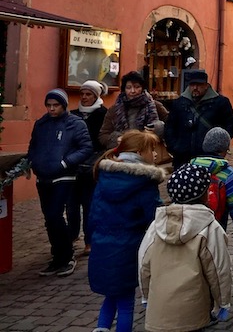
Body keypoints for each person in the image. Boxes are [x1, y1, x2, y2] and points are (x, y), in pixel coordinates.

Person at [138, 164, 232, 332]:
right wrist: (223, 302)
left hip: (160, 310)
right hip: (193, 309)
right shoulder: (210, 228)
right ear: (204, 194)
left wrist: (146, 296)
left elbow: (144, 264)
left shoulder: (156, 226)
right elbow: (218, 269)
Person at [88, 130, 164, 332]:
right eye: (152, 150)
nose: (155, 155)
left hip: (102, 245)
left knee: (111, 297)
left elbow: (93, 214)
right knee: (126, 303)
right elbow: (155, 216)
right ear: (140, 152)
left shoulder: (105, 176)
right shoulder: (145, 182)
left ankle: (101, 328)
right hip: (128, 248)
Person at [27, 89, 93, 277]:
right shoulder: (41, 124)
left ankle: (67, 256)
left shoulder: (75, 124)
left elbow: (86, 147)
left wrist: (66, 162)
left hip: (64, 176)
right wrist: (34, 163)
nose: (51, 109)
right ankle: (57, 257)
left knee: (55, 215)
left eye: (55, 105)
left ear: (63, 105)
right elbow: (33, 146)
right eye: (49, 105)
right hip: (43, 176)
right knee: (49, 219)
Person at [164, 69, 233, 168]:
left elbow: (230, 127)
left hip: (209, 158)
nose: (195, 88)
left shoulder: (220, 103)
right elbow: (170, 127)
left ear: (206, 85)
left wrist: (218, 147)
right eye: (192, 85)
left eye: (199, 85)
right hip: (183, 158)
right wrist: (175, 147)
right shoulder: (179, 103)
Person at [68, 80, 108, 255]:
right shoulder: (72, 114)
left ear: (96, 96)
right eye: (82, 94)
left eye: (88, 94)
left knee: (89, 204)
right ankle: (71, 237)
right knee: (71, 205)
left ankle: (89, 241)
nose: (84, 97)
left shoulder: (103, 114)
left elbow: (103, 139)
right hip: (73, 164)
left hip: (92, 165)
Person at [190, 127, 233, 243]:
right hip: (217, 224)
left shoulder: (192, 167)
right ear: (224, 150)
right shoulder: (228, 174)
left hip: (192, 224)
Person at [98, 71, 168, 149]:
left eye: (137, 87)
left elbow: (172, 126)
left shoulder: (155, 106)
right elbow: (103, 135)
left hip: (149, 152)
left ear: (142, 88)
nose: (133, 91)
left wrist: (158, 128)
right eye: (128, 87)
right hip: (123, 153)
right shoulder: (114, 109)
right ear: (124, 89)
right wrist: (117, 139)